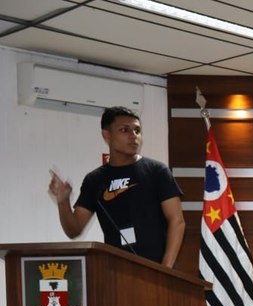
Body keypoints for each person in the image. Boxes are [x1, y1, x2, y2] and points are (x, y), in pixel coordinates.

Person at [47, 106, 185, 268]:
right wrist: (63, 202)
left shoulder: (157, 171)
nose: (133, 136)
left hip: (158, 271)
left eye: (137, 130)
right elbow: (74, 230)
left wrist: (165, 269)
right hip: (116, 273)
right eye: (125, 130)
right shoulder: (94, 180)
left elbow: (177, 221)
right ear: (106, 135)